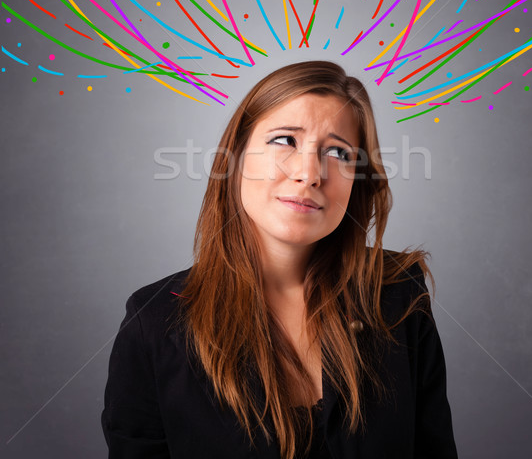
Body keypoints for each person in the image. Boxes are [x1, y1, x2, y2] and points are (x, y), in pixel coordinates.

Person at [101, 60, 458, 458]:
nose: (309, 173)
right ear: (235, 158)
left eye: (339, 151)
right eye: (285, 140)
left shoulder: (397, 294)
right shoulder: (153, 324)